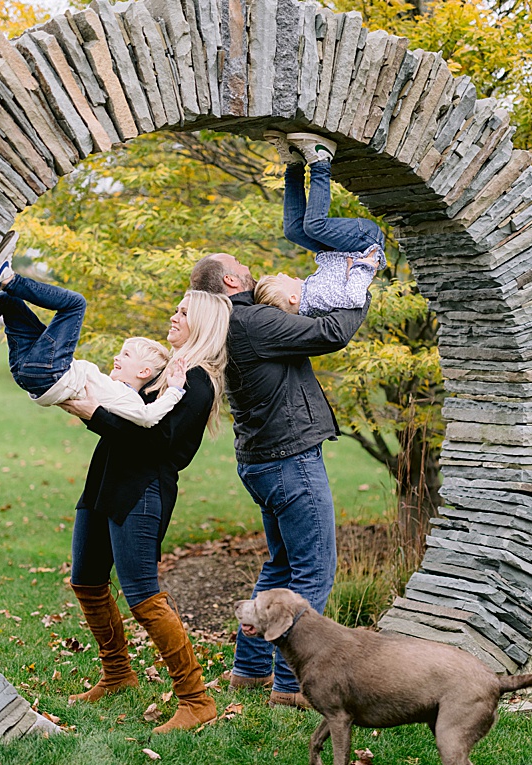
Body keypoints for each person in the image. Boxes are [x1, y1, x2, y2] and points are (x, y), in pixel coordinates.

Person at [188, 133, 374, 709]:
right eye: (241, 266)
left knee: (279, 568)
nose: (249, 266)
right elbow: (331, 333)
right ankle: (293, 686)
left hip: (263, 462)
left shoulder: (233, 324)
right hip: (290, 462)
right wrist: (361, 286)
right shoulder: (253, 324)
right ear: (232, 283)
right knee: (312, 573)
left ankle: (248, 672)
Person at [58, 288, 232, 733]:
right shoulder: (171, 370)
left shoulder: (198, 380)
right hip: (105, 480)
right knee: (87, 580)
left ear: (204, 325)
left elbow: (160, 444)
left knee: (143, 595)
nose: (173, 317)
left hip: (142, 490)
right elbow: (131, 415)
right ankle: (117, 674)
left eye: (183, 312)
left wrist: (92, 413)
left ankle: (196, 700)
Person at [0, 231, 189, 428]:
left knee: (75, 304)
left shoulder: (127, 399)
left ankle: (7, 278)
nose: (117, 357)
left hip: (50, 374)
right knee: (9, 302)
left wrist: (175, 391)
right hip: (32, 373)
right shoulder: (113, 389)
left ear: (144, 371)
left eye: (126, 355)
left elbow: (149, 418)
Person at [258, 130, 386, 317]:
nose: (284, 275)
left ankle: (295, 163)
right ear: (292, 298)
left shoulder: (310, 297)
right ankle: (321, 160)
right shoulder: (318, 298)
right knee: (314, 226)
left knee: (293, 231)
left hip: (339, 250)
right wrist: (364, 266)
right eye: (283, 280)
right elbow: (355, 298)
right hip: (364, 243)